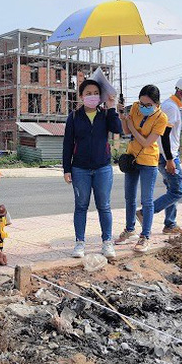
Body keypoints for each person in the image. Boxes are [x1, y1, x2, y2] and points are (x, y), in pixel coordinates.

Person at [62, 79, 122, 259]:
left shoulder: (105, 115)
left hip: (103, 167)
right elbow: (67, 144)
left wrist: (112, 108)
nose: (92, 96)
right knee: (81, 206)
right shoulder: (73, 117)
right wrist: (67, 169)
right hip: (80, 168)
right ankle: (80, 243)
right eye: (88, 93)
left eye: (95, 93)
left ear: (100, 95)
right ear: (81, 96)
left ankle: (107, 242)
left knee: (104, 206)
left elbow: (117, 129)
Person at [116, 85, 168, 253]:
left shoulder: (162, 118)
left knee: (146, 200)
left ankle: (145, 236)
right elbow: (125, 131)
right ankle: (130, 229)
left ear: (156, 103)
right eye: (141, 103)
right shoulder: (136, 108)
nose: (143, 107)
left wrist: (131, 126)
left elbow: (147, 143)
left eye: (148, 105)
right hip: (132, 158)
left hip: (149, 160)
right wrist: (122, 116)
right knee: (129, 197)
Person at [148, 76, 182, 234]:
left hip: (167, 155)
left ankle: (170, 224)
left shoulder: (170, 106)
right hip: (168, 156)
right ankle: (146, 213)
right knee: (177, 191)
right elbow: (164, 136)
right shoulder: (171, 108)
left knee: (171, 189)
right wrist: (170, 159)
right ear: (181, 92)